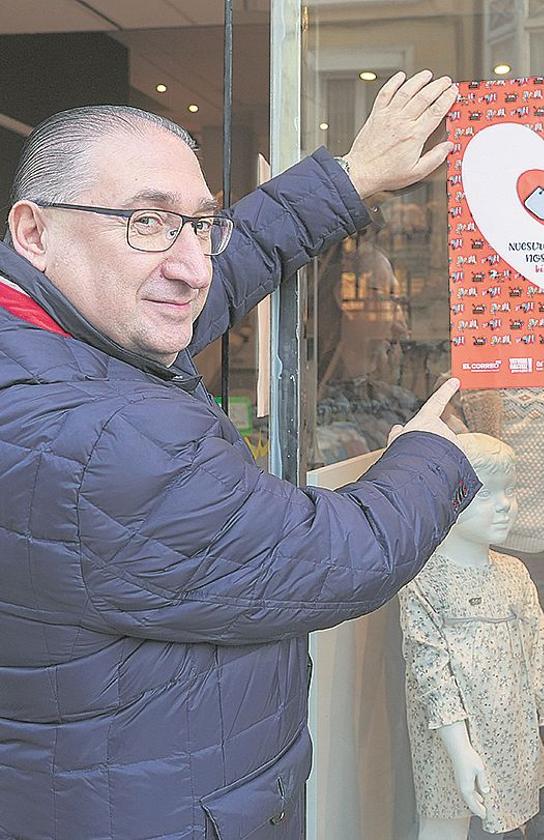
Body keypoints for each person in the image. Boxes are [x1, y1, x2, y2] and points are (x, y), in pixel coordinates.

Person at [0, 70, 471, 840]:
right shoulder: (106, 443)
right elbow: (340, 556)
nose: (190, 263)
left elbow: (213, 273)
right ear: (35, 232)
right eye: (147, 222)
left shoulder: (51, 324)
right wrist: (430, 453)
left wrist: (350, 179)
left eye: (199, 223)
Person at [399, 433, 544, 840]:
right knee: (444, 823)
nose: (505, 505)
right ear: (449, 500)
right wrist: (460, 748)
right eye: (486, 495)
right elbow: (431, 674)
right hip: (449, 738)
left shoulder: (514, 574)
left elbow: (539, 649)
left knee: (513, 820)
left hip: (510, 729)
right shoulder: (425, 582)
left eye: (509, 492)